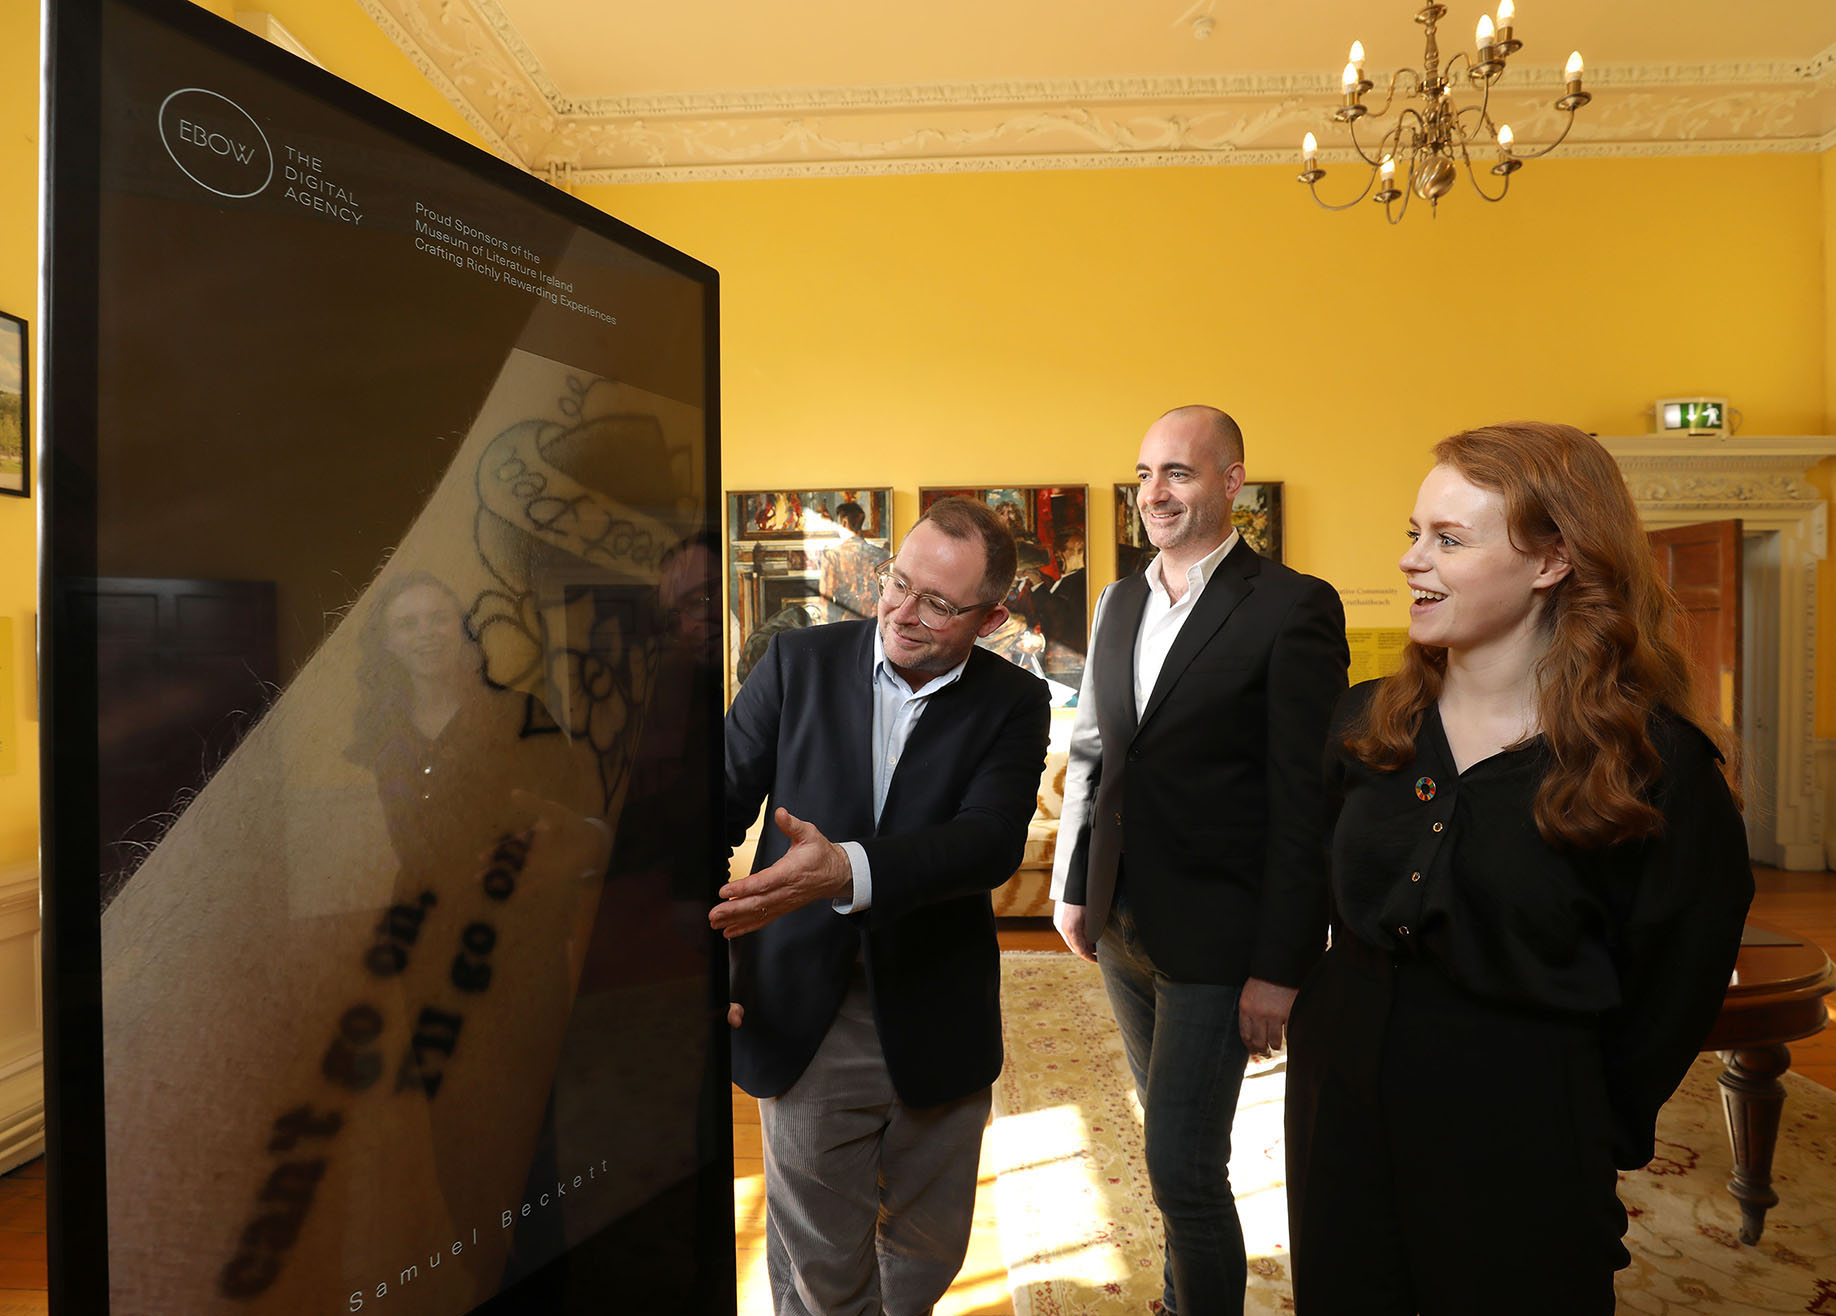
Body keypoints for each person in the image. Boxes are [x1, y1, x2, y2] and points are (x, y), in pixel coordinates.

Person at [1283, 421, 1755, 1315]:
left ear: (1552, 561)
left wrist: (1585, 1119)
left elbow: (1678, 977)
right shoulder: (1362, 725)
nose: (1413, 561)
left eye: (1449, 540)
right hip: (1338, 1102)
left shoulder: (1652, 764)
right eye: (1415, 532)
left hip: (1522, 1124)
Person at [719, 495, 1051, 1316]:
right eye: (897, 583)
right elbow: (711, 809)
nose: (902, 612)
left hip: (936, 1009)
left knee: (929, 1253)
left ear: (992, 615)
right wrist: (673, 964)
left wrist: (848, 871)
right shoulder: (797, 664)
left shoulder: (1014, 701)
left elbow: (990, 841)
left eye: (938, 603)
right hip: (802, 1009)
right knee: (822, 1265)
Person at [1051, 404, 1349, 1316]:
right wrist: (1073, 890)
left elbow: (1309, 800)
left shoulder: (1293, 606)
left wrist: (1282, 966)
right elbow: (1096, 752)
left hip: (1222, 940)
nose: (1154, 493)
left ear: (1231, 482)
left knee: (1180, 1162)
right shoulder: (1120, 600)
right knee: (1169, 1141)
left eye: (1178, 472)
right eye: (1144, 474)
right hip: (1123, 926)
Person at [819, 499, 889, 622]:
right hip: (875, 623)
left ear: (844, 522)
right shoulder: (881, 554)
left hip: (846, 625)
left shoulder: (832, 556)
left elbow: (826, 601)